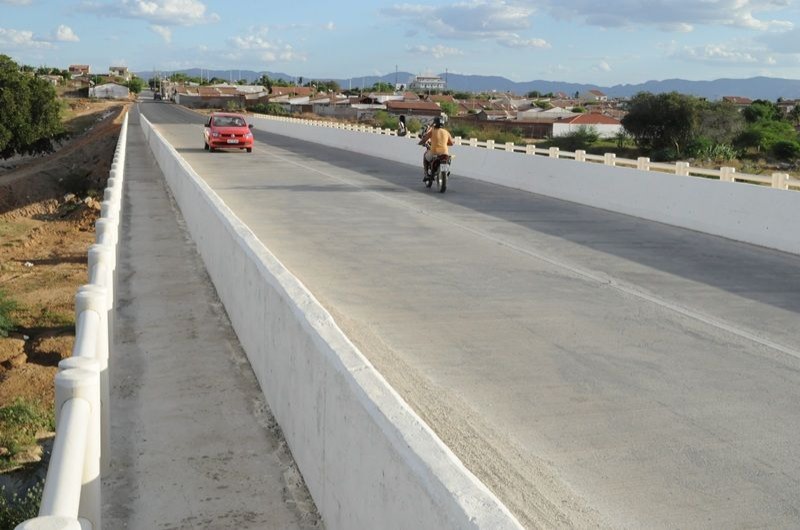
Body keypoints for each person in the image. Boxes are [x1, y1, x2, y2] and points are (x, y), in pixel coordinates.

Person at [419, 116, 454, 180]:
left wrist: (419, 143)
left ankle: (426, 174)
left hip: (434, 152)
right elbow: (451, 143)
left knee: (425, 156)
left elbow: (424, 140)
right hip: (444, 153)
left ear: (435, 123)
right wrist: (444, 143)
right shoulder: (446, 132)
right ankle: (446, 171)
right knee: (448, 159)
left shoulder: (432, 131)